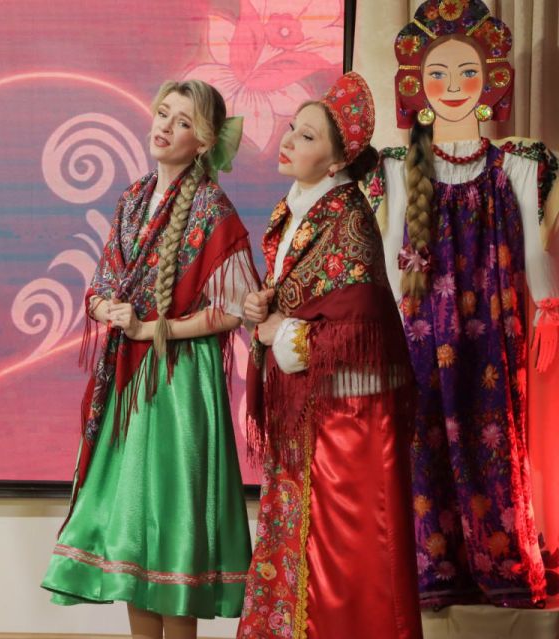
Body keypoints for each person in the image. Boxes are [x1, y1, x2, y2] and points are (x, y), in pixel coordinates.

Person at [41, 79, 258, 639]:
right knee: (135, 538)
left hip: (179, 381)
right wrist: (109, 309)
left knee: (173, 528)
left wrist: (158, 327)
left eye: (183, 122)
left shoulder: (212, 208)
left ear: (204, 142)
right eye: (163, 113)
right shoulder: (134, 197)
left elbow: (234, 310)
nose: (165, 126)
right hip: (130, 378)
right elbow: (100, 284)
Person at [369, 0, 559, 608]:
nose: (453, 86)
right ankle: (435, 568)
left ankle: (501, 562)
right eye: (439, 74)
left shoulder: (519, 164)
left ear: (491, 82)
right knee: (424, 444)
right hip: (421, 335)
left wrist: (549, 309)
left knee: (494, 439)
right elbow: (392, 261)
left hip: (492, 332)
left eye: (468, 72)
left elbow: (533, 253)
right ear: (417, 86)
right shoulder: (396, 167)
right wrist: (388, 329)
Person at [238, 72, 422, 639]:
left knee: (347, 555)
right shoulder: (295, 209)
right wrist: (264, 306)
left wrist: (281, 333)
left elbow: (360, 329)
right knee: (298, 545)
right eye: (293, 128)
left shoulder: (348, 219)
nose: (289, 140)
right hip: (308, 412)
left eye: (308, 136)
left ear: (339, 161)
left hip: (348, 422)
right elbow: (306, 297)